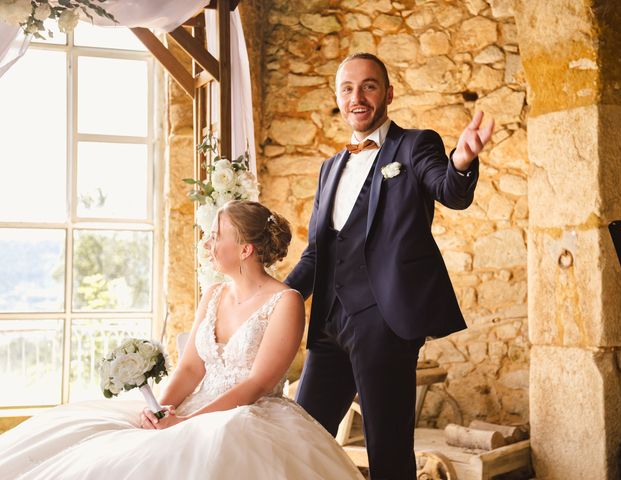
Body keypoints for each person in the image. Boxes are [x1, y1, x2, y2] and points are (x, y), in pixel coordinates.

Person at [0, 200, 364, 480]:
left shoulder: (285, 302)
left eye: (217, 235)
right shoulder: (214, 294)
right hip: (192, 405)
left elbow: (258, 383)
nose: (207, 243)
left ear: (245, 249)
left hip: (247, 417)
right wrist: (162, 408)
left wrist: (190, 423)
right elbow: (191, 368)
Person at [284, 52, 494, 480]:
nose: (356, 97)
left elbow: (447, 189)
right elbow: (318, 251)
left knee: (388, 450)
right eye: (347, 88)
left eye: (368, 86)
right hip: (327, 323)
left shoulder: (415, 145)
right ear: (337, 98)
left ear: (388, 93)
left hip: (385, 320)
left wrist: (463, 160)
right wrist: (274, 299)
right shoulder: (329, 168)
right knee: (304, 437)